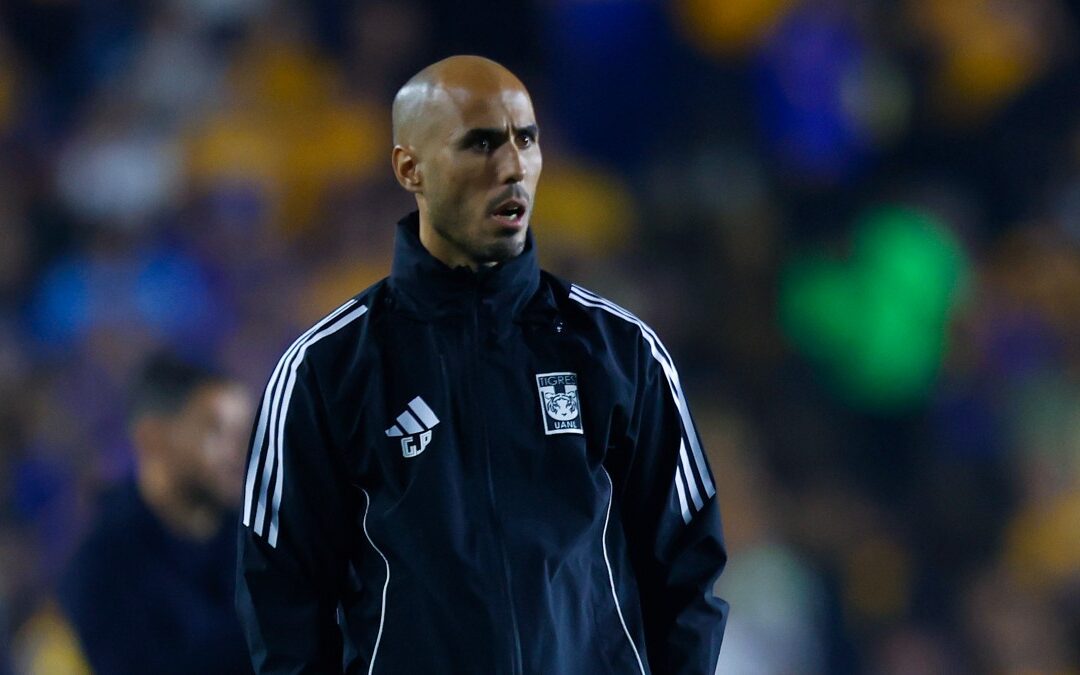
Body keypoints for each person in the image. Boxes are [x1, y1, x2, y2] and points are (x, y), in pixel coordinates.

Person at [236, 55, 729, 674]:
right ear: (409, 168)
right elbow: (281, 597)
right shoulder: (326, 370)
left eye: (526, 140)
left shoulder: (620, 351)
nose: (514, 167)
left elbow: (687, 570)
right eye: (481, 144)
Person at [60, 352, 255, 675]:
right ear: (152, 439)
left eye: (241, 430)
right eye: (214, 430)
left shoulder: (262, 535)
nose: (237, 450)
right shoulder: (101, 566)